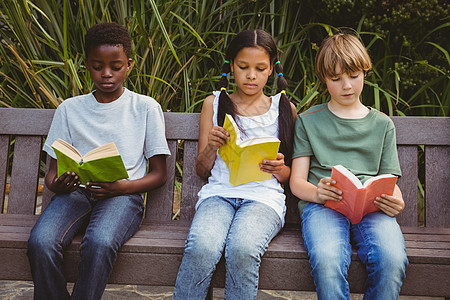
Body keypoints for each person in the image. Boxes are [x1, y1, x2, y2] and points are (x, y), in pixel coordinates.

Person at [27, 22, 170, 300]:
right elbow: (52, 175)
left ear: (129, 64)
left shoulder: (145, 107)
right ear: (86, 65)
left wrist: (120, 188)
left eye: (115, 66)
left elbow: (159, 173)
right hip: (76, 194)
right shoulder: (69, 109)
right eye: (97, 66)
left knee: (100, 242)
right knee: (41, 242)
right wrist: (62, 184)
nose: (106, 74)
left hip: (122, 197)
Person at [172, 29, 297, 300]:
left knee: (242, 248)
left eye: (260, 68)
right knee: (202, 247)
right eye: (243, 67)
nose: (251, 75)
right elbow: (202, 170)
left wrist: (280, 168)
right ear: (231, 67)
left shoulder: (284, 107)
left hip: (264, 199)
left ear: (271, 70)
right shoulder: (214, 104)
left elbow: (291, 176)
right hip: (219, 195)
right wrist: (211, 146)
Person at [289, 33, 408, 299]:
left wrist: (396, 202)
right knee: (327, 260)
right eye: (335, 79)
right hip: (323, 207)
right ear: (324, 79)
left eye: (353, 75)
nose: (346, 86)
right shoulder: (309, 121)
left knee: (392, 260)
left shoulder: (382, 125)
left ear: (365, 71)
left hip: (372, 208)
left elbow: (390, 181)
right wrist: (318, 193)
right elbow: (297, 181)